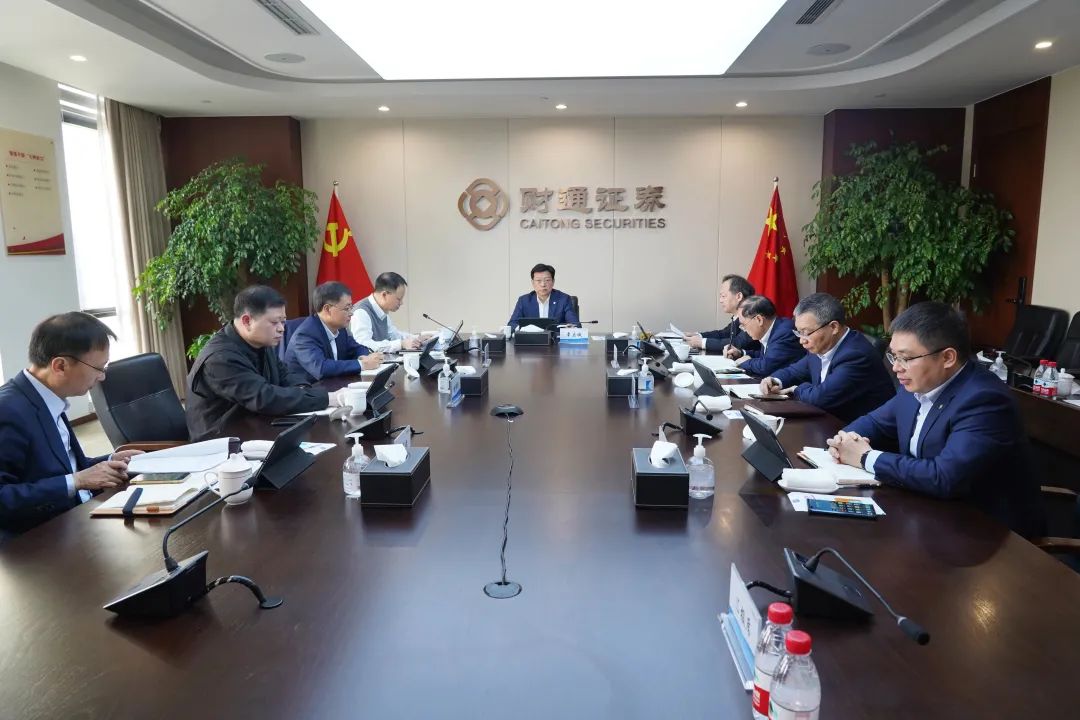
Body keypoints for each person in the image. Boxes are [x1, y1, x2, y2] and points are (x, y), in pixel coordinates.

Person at [827, 302, 1044, 537]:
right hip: (925, 513)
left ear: (948, 357)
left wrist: (866, 457)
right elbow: (874, 423)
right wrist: (844, 441)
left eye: (906, 358)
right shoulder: (917, 386)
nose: (896, 368)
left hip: (987, 535)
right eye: (893, 356)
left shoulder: (984, 400)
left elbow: (944, 477)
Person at [0, 312, 143, 536]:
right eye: (98, 368)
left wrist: (109, 461)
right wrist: (76, 481)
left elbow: (64, 467)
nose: (102, 377)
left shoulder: (48, 397)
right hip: (40, 538)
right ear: (60, 366)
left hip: (80, 516)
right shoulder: (8, 410)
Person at [186, 285, 348, 441]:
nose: (282, 329)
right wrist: (328, 398)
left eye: (283, 321)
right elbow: (264, 398)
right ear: (247, 321)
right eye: (274, 322)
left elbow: (286, 375)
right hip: (220, 441)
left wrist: (304, 391)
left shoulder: (261, 343)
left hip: (257, 427)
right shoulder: (220, 358)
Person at [757, 292, 894, 423]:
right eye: (799, 332)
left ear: (833, 327)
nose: (802, 340)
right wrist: (775, 380)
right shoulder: (821, 345)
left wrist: (795, 389)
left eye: (806, 332)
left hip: (857, 430)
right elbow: (795, 371)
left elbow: (819, 398)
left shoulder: (856, 355)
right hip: (828, 420)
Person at [286, 281, 384, 383]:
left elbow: (358, 348)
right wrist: (362, 364)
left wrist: (365, 357)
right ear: (327, 309)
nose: (351, 313)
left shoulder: (340, 329)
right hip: (308, 389)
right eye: (347, 308)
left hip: (334, 385)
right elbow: (321, 368)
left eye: (351, 307)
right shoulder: (305, 335)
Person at [684, 274, 760, 355]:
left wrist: (702, 343)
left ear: (739, 296)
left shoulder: (752, 317)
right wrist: (698, 335)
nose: (720, 300)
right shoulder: (737, 317)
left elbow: (738, 343)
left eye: (723, 296)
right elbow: (723, 334)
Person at [732, 295, 805, 377]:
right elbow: (767, 355)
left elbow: (765, 367)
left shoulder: (784, 333)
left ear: (759, 320)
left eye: (744, 325)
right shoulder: (774, 328)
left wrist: (745, 362)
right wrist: (741, 353)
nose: (744, 330)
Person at [350, 272, 423, 353]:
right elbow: (364, 345)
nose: (401, 303)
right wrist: (400, 344)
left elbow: (393, 335)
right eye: (399, 299)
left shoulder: (381, 309)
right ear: (384, 295)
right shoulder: (361, 312)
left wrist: (417, 338)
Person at [508, 263, 580, 329]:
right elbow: (512, 324)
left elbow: (575, 324)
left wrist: (570, 328)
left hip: (555, 338)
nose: (543, 284)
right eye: (538, 280)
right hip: (532, 338)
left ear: (553, 282)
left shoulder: (564, 299)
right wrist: (523, 329)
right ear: (533, 283)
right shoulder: (524, 301)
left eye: (547, 280)